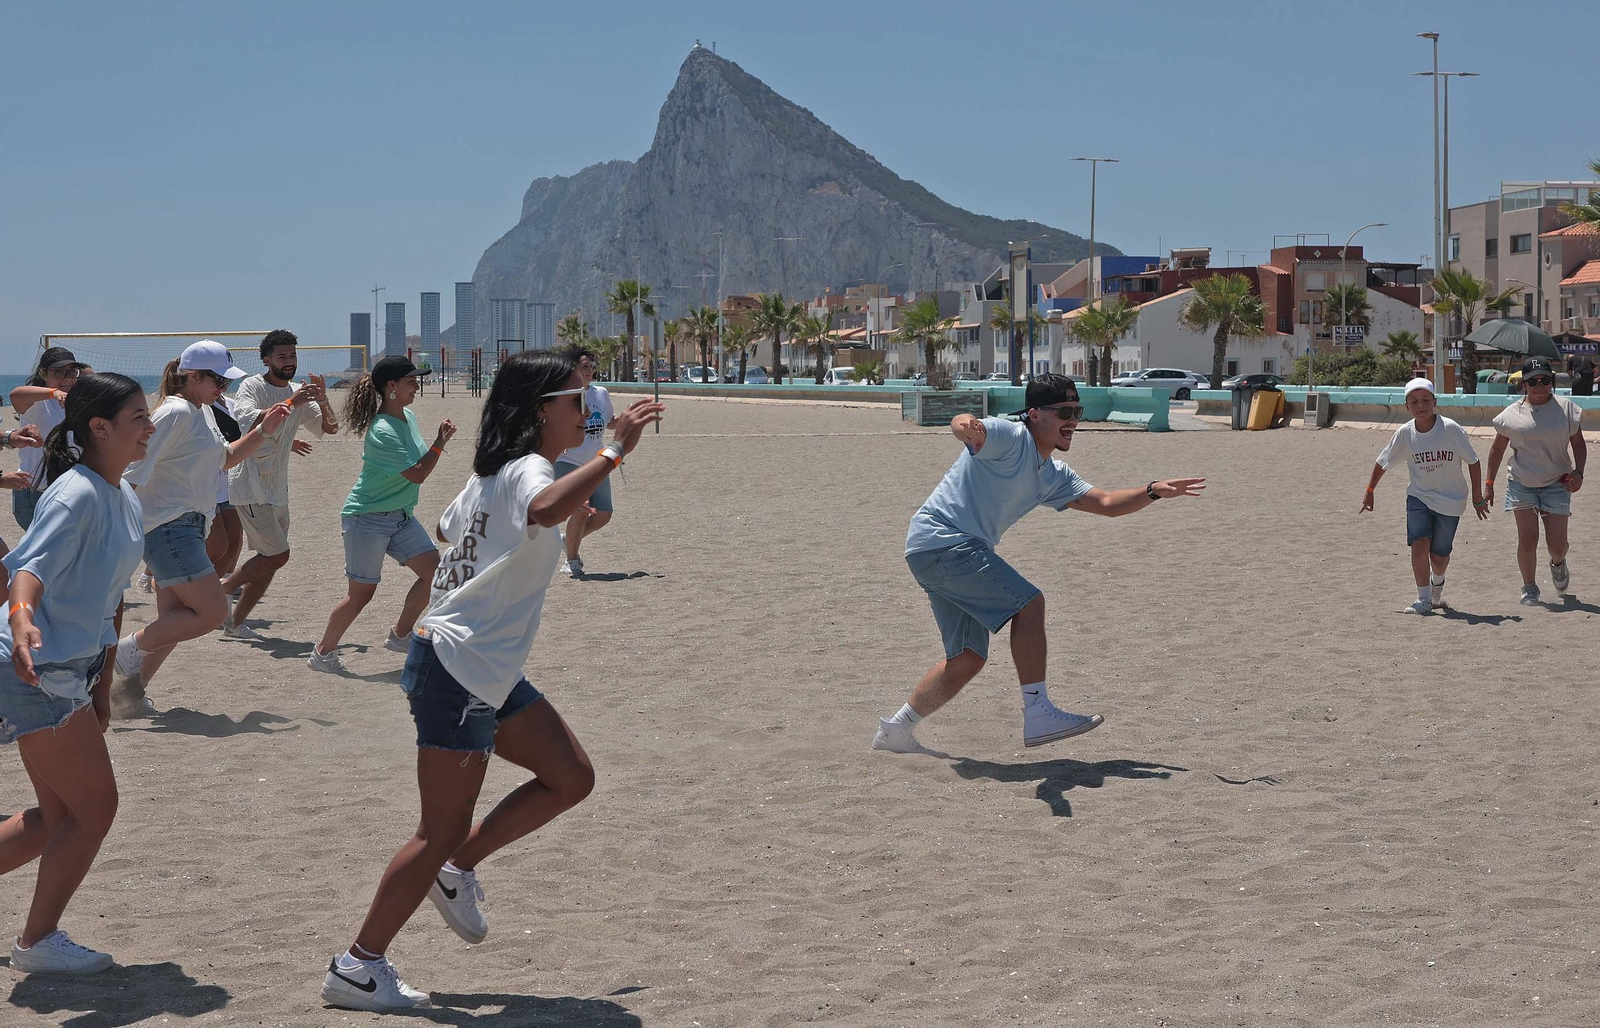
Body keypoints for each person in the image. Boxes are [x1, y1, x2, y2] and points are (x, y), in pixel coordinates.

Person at [320, 352, 663, 1012]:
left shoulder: (494, 472)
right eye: (576, 402)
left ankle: (457, 869)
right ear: (541, 410)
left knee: (571, 777)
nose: (587, 414)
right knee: (436, 829)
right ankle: (357, 966)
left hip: (485, 667)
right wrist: (614, 453)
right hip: (457, 665)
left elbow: (450, 529)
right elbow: (546, 509)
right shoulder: (531, 470)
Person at [874, 374, 1204, 754]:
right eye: (1064, 411)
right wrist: (965, 425)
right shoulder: (1010, 437)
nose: (1073, 420)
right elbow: (970, 427)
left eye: (1077, 411)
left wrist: (1152, 491)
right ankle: (1038, 711)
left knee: (968, 658)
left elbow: (1108, 504)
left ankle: (896, 731)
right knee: (1029, 604)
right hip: (945, 543)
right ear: (1033, 414)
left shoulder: (1052, 474)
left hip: (935, 550)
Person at [0, 373, 151, 974]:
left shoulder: (123, 493)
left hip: (71, 670)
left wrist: (105, 684)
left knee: (57, 817)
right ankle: (38, 942)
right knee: (96, 809)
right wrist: (21, 618)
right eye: (138, 416)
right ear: (99, 427)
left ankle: (38, 940)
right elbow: (27, 571)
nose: (149, 425)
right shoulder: (76, 493)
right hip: (37, 667)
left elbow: (111, 602)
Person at [112, 343, 290, 714]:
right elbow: (131, 466)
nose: (223, 387)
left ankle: (127, 697)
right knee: (209, 614)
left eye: (227, 381)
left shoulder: (203, 410)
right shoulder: (175, 411)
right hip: (168, 527)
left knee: (174, 625)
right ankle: (125, 648)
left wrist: (265, 429)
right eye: (218, 380)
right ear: (193, 377)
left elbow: (226, 459)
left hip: (187, 526)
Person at [308, 356, 454, 673]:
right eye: (410, 380)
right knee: (361, 595)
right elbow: (417, 474)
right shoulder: (382, 431)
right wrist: (439, 443)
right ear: (391, 386)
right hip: (366, 518)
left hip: (400, 516)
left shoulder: (408, 417)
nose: (416, 385)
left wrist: (437, 443)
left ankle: (401, 635)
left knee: (439, 574)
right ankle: (322, 654)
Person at [219, 330, 338, 638]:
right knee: (278, 555)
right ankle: (225, 588)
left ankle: (234, 623)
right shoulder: (252, 386)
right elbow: (247, 421)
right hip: (249, 484)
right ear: (267, 360)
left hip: (277, 488)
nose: (289, 362)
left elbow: (330, 428)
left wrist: (323, 400)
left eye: (293, 356)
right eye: (282, 356)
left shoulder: (299, 391)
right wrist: (290, 400)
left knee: (269, 560)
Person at [1360, 378, 1488, 614]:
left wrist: (1477, 497)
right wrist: (1370, 491)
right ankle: (1423, 599)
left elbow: (1474, 461)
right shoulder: (1405, 433)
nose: (1421, 406)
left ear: (1435, 402)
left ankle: (1437, 585)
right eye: (1414, 401)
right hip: (1419, 497)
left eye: (1426, 400)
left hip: (1451, 500)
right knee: (1419, 545)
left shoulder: (1451, 429)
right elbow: (1383, 461)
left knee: (1439, 558)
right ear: (1407, 406)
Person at [1485, 357, 1586, 605]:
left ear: (1552, 381)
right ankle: (1529, 587)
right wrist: (1488, 485)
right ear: (1524, 384)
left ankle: (1558, 563)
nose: (1539, 386)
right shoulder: (1510, 415)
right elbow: (1497, 450)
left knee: (1558, 545)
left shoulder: (1567, 409)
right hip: (1522, 483)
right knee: (1528, 538)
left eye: (1544, 380)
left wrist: (1579, 473)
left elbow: (1578, 444)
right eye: (1533, 381)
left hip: (1558, 483)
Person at [552, 347, 617, 577]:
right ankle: (572, 560)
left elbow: (610, 422)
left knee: (603, 514)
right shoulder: (562, 394)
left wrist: (629, 420)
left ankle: (569, 540)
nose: (590, 370)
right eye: (584, 366)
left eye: (592, 366)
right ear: (573, 369)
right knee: (581, 508)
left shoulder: (601, 393)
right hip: (567, 460)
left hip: (595, 462)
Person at [8, 348, 87, 532]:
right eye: (59, 372)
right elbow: (15, 396)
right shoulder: (39, 403)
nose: (66, 378)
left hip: (67, 491)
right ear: (43, 374)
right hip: (36, 492)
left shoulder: (77, 402)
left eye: (72, 372)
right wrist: (53, 393)